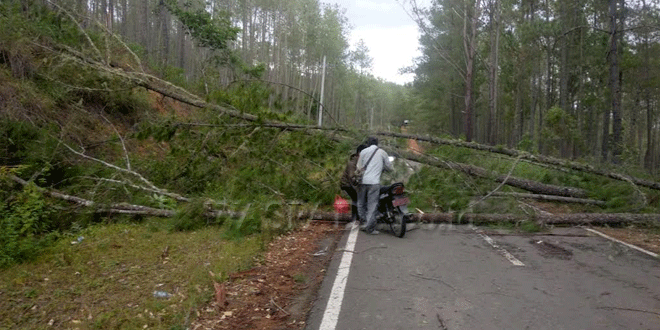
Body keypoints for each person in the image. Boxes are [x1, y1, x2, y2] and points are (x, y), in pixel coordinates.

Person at [356, 137, 393, 234]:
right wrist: (382, 168)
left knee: (361, 203)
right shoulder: (382, 152)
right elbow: (389, 167)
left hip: (363, 182)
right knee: (372, 205)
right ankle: (370, 228)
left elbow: (359, 167)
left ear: (368, 143)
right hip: (374, 183)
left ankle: (363, 223)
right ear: (377, 143)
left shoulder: (363, 152)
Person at [340, 144, 368, 223]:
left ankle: (359, 216)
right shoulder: (352, 163)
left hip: (355, 183)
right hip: (347, 184)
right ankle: (355, 217)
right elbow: (352, 178)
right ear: (359, 153)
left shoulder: (361, 162)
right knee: (357, 197)